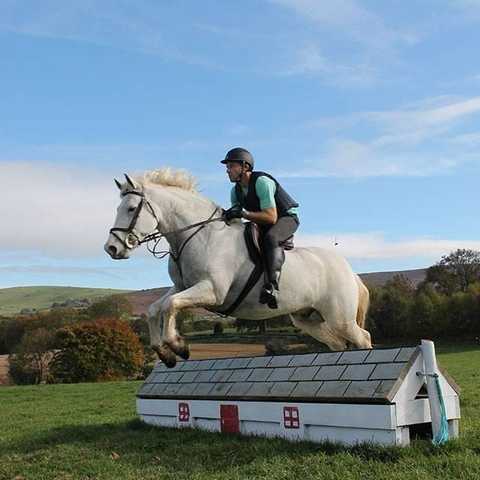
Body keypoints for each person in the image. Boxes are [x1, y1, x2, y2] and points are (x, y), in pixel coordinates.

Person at [221, 147, 299, 309]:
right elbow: (238, 218)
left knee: (271, 238)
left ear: (245, 167)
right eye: (227, 167)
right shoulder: (235, 191)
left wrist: (242, 213)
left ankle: (272, 287)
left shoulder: (262, 182)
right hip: (262, 221)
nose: (228, 171)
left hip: (286, 218)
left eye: (231, 166)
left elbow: (271, 217)